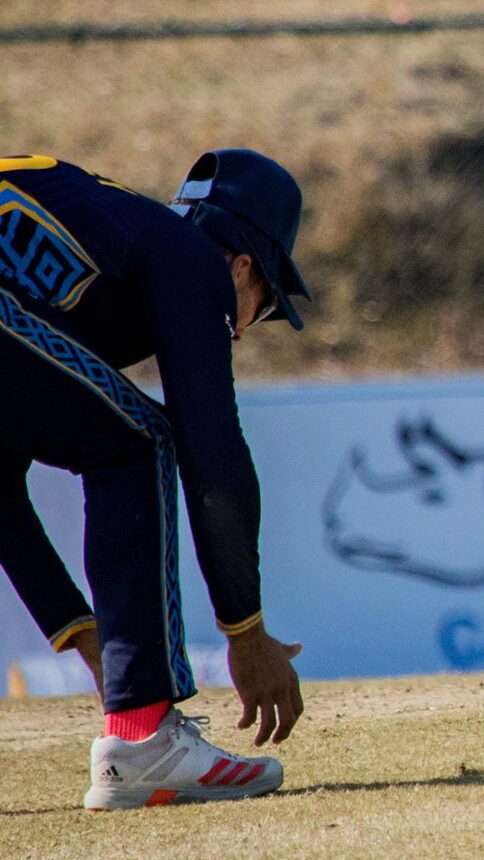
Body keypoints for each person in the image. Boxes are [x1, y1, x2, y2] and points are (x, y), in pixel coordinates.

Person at [0, 149, 312, 806]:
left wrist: (85, 630)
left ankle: (140, 726)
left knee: (126, 436)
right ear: (243, 264)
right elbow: (212, 447)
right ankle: (144, 739)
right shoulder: (190, 259)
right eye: (265, 303)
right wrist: (246, 632)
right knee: (141, 442)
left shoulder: (119, 239)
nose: (248, 325)